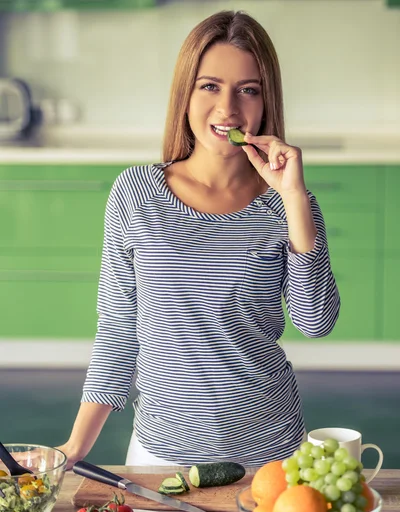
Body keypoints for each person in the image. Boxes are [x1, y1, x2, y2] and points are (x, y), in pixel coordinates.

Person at [57, 10, 340, 470]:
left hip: (271, 454)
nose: (228, 108)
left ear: (266, 102)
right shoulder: (135, 193)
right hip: (159, 453)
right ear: (184, 93)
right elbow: (117, 328)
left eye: (248, 90)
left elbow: (316, 322)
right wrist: (75, 447)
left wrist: (293, 200)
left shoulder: (287, 204)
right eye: (210, 86)